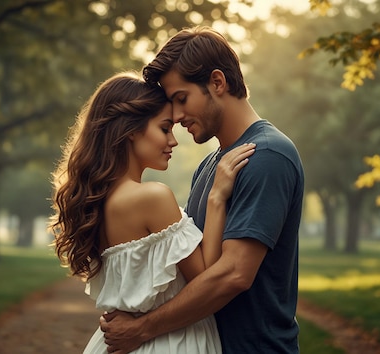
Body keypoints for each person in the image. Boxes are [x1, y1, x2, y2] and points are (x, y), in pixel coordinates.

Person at [100, 27, 305, 354]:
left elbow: (233, 274)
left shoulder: (266, 155)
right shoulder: (211, 166)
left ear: (217, 83)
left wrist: (141, 329)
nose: (177, 117)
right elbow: (189, 269)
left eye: (181, 99)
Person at [49, 71, 255, 353]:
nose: (173, 141)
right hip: (169, 343)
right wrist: (217, 196)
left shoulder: (96, 202)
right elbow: (206, 277)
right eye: (164, 128)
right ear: (131, 130)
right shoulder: (152, 197)